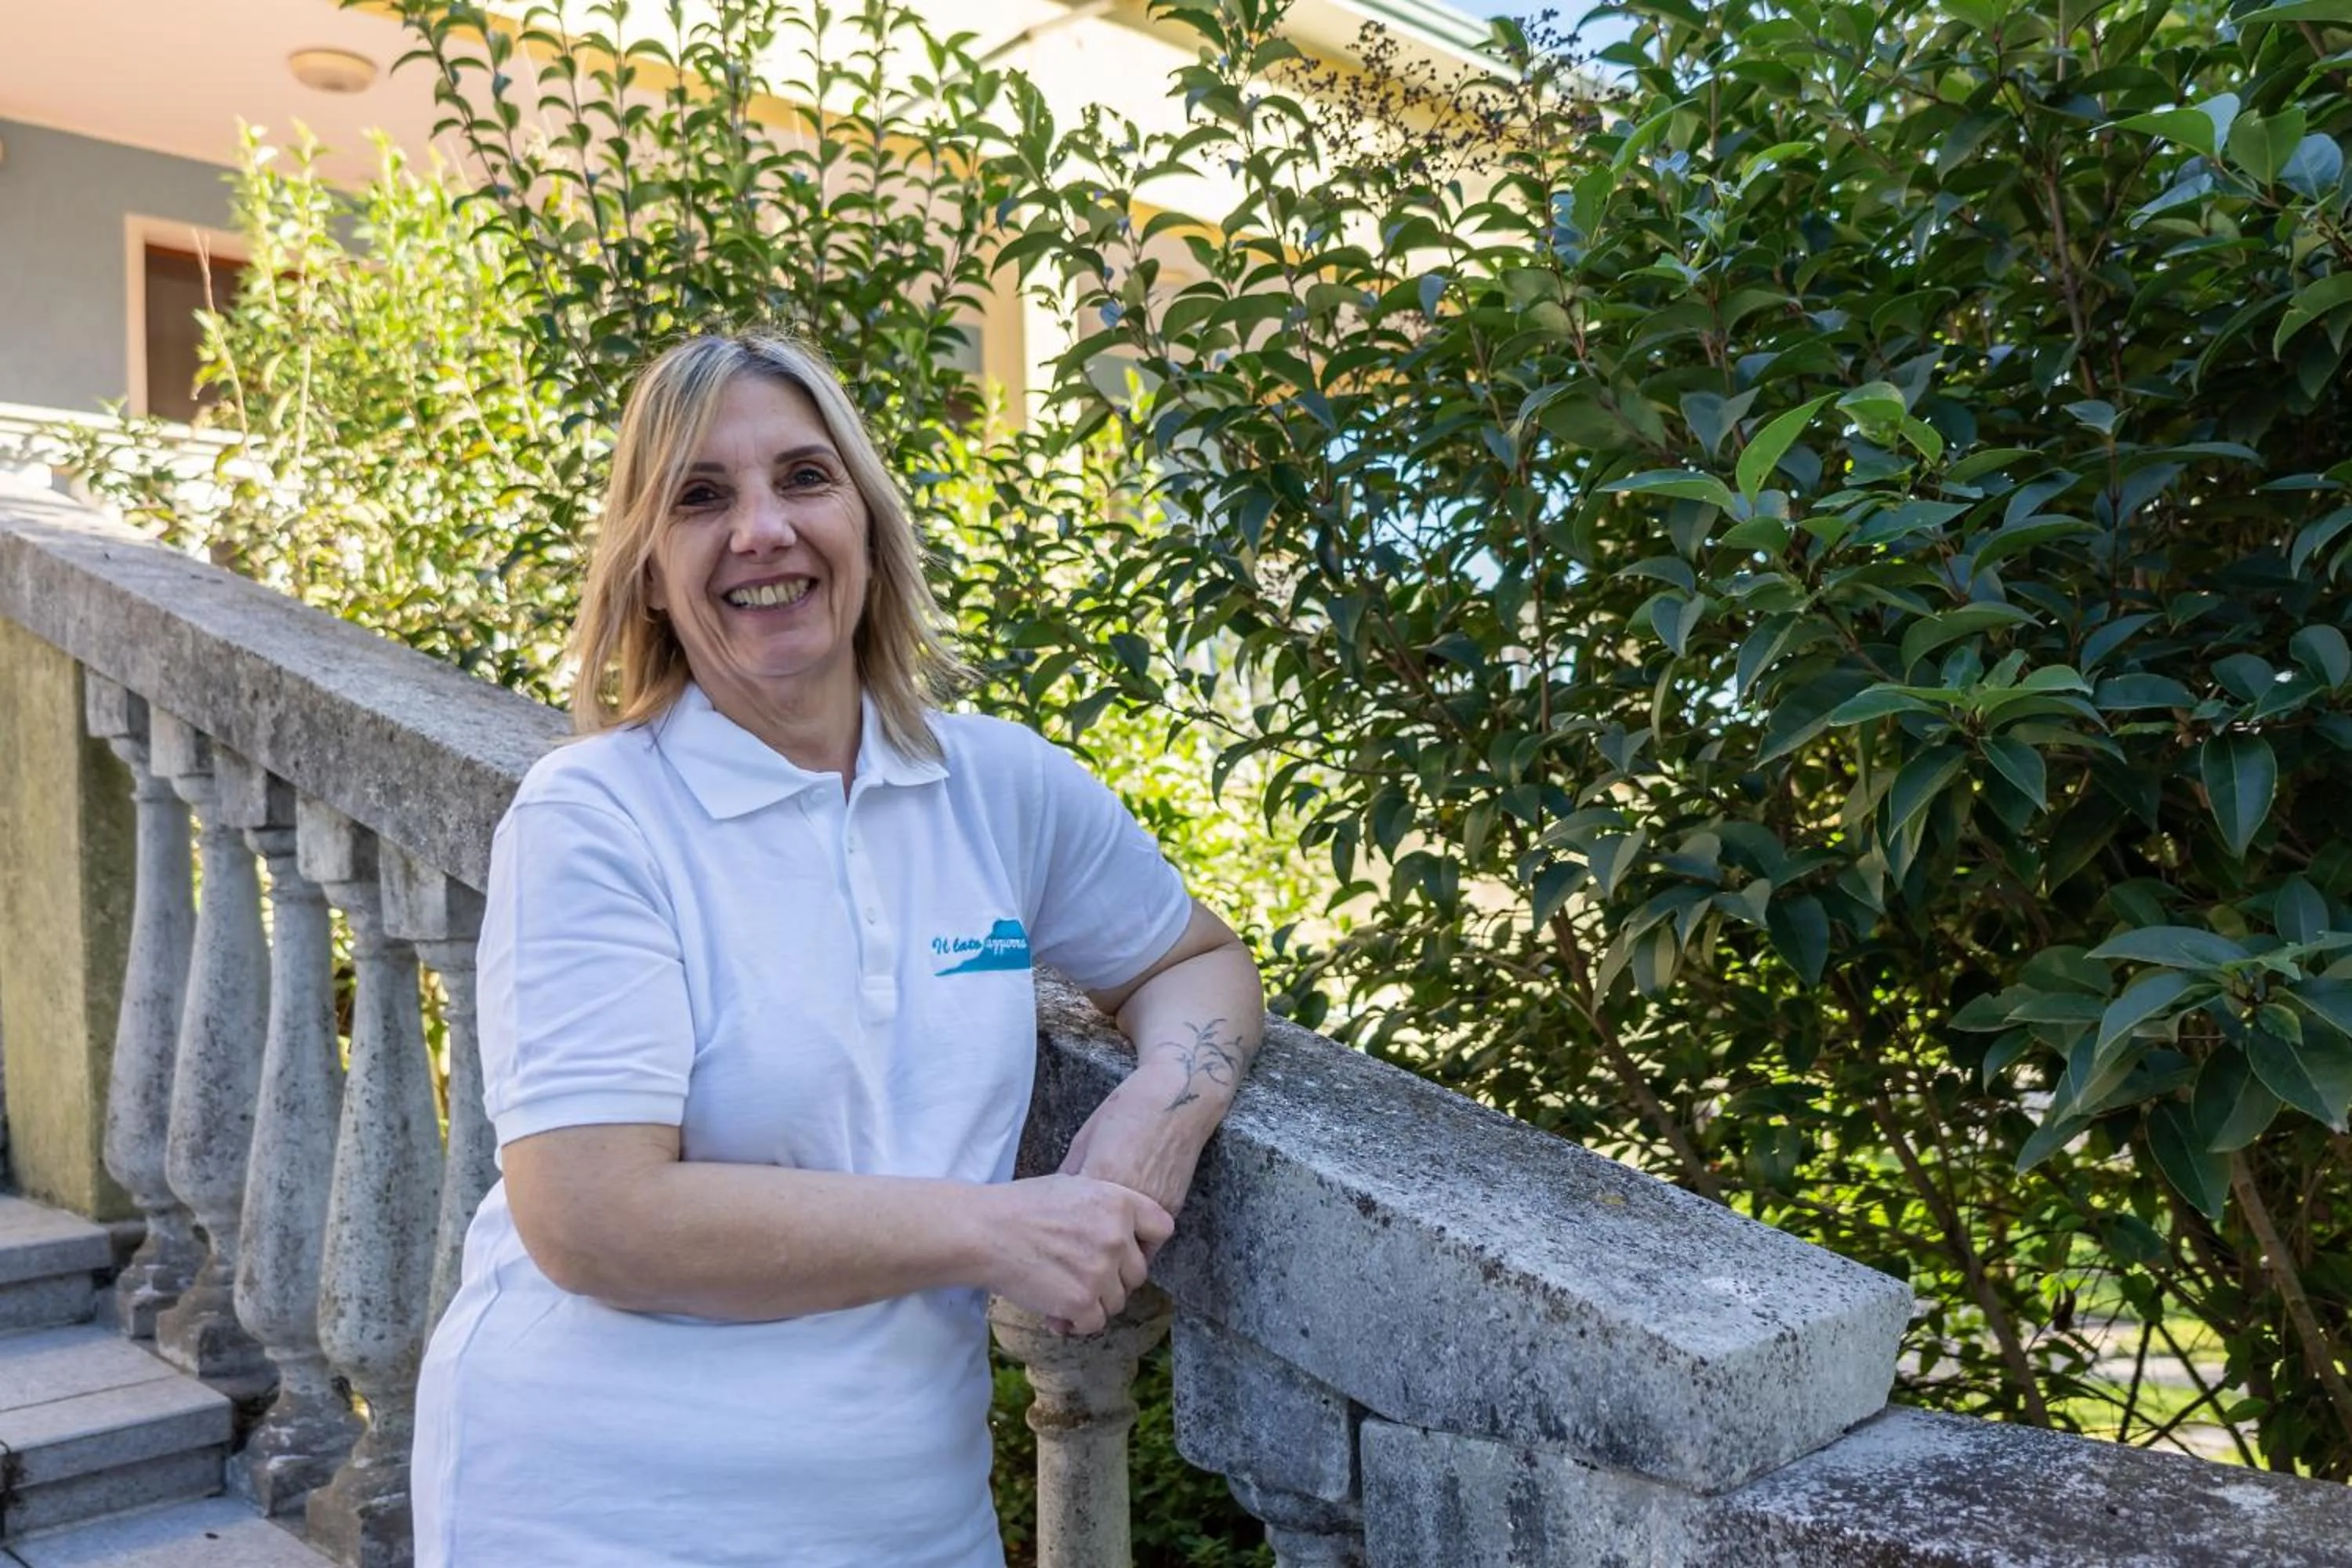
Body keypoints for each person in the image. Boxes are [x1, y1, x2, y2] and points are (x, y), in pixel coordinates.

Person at [410, 332, 1263, 1566]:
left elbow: (1189, 960)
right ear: (648, 576)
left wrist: (1161, 1111)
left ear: (867, 524)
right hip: (595, 1510)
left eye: (805, 478)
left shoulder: (998, 787)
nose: (762, 529)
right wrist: (993, 1230)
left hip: (912, 1515)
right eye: (700, 497)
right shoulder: (594, 817)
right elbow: (591, 1216)